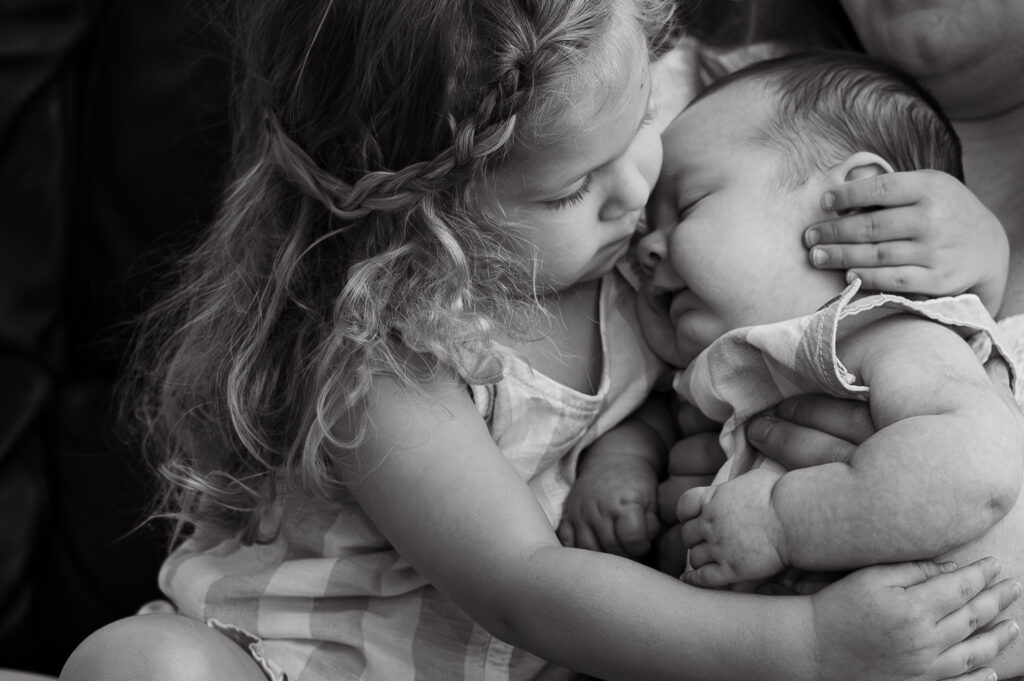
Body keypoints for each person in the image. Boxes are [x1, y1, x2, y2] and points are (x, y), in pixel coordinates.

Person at [58, 3, 1021, 681]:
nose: (635, 194)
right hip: (295, 663)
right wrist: (810, 646)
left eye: (645, 126)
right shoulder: (385, 360)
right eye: (571, 188)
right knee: (145, 665)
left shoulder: (638, 274)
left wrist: (972, 253)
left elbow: (817, 266)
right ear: (424, 209)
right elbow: (524, 587)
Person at [623, 50, 1024, 678]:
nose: (646, 246)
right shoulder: (737, 368)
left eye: (691, 203)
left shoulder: (880, 328)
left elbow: (977, 470)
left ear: (856, 207)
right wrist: (623, 470)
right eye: (646, 223)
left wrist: (781, 523)